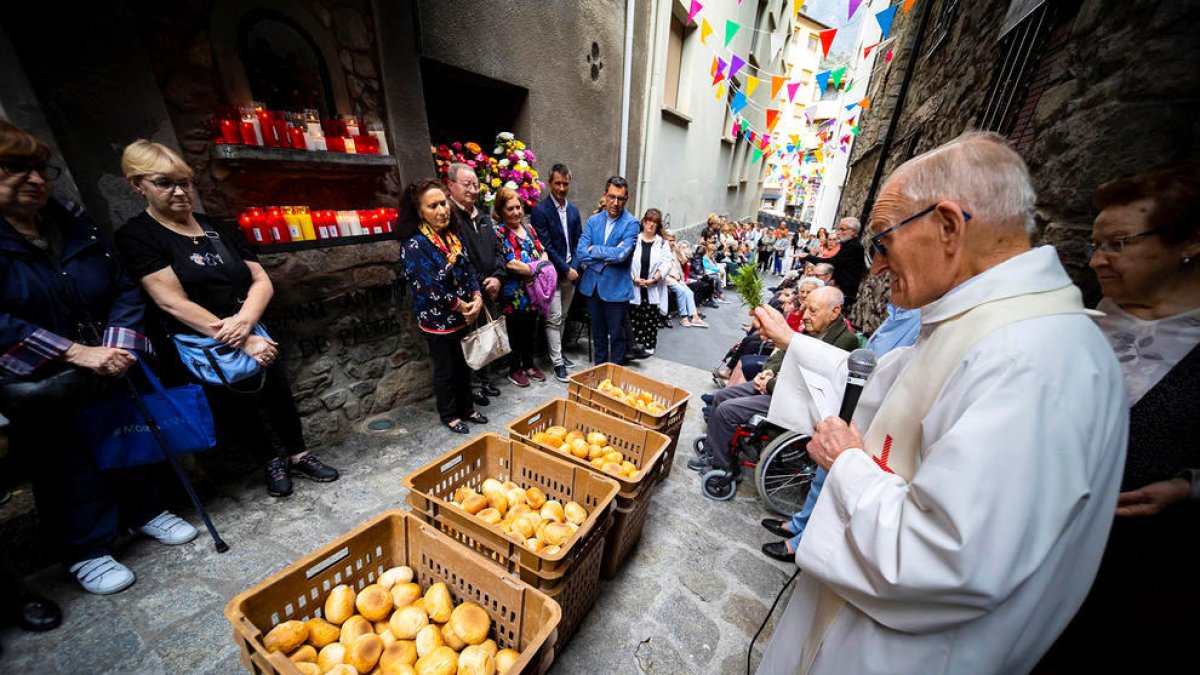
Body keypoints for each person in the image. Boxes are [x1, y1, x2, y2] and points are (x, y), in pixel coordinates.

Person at [755, 132, 1128, 675]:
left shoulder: (1035, 357)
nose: (876, 267)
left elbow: (944, 557)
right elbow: (884, 381)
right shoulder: (979, 325)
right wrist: (793, 343)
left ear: (948, 226)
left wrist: (848, 465)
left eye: (882, 242)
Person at [1, 123, 195, 596]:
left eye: (38, 169)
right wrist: (73, 352)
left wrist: (119, 343)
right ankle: (87, 547)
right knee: (63, 460)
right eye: (14, 169)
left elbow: (124, 284)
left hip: (110, 353)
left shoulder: (70, 219)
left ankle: (145, 510)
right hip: (42, 371)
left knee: (126, 430)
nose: (34, 179)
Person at [1039, 163, 1199, 672]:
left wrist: (1188, 489)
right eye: (1095, 245)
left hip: (1141, 574)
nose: (1098, 260)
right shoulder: (1076, 319)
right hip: (1041, 549)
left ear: (1188, 242)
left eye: (1119, 243)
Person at [116, 140, 339, 497]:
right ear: (137, 185)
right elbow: (171, 301)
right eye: (165, 183)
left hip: (249, 324)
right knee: (236, 404)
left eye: (185, 182)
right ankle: (269, 461)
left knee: (278, 392)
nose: (179, 191)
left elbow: (260, 279)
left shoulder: (217, 227)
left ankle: (299, 454)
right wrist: (241, 339)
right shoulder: (138, 236)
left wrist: (248, 323)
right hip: (202, 341)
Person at [759, 300, 921, 562]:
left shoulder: (925, 321)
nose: (878, 268)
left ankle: (803, 542)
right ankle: (799, 524)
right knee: (822, 474)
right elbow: (866, 364)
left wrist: (791, 339)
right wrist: (790, 339)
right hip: (853, 400)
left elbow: (880, 377)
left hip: (875, 419)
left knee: (835, 477)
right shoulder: (900, 309)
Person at [689, 286, 857, 476]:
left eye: (813, 310)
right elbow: (784, 353)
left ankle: (721, 465)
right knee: (721, 395)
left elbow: (810, 387)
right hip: (780, 385)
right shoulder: (816, 327)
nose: (805, 316)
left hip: (798, 402)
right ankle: (713, 452)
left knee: (727, 411)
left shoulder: (845, 342)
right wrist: (768, 371)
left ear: (835, 312)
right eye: (805, 309)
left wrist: (768, 383)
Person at [396, 179, 486, 434]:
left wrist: (477, 297)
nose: (441, 210)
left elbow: (468, 268)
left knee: (464, 365)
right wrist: (464, 307)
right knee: (446, 369)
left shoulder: (452, 236)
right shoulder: (414, 245)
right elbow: (429, 288)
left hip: (464, 315)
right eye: (433, 206)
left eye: (443, 203)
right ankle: (450, 414)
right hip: (438, 321)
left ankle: (467, 408)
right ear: (420, 212)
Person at [445, 162, 504, 405]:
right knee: (471, 341)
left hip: (491, 288)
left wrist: (498, 277)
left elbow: (498, 250)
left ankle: (485, 380)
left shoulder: (482, 216)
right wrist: (479, 285)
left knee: (487, 336)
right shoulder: (450, 218)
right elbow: (461, 258)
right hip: (470, 293)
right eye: (466, 184)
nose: (472, 189)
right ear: (451, 186)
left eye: (475, 184)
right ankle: (473, 386)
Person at [575, 176, 639, 365]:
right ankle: (599, 375)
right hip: (593, 288)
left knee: (617, 338)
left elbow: (622, 255)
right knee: (598, 337)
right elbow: (580, 252)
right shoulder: (594, 220)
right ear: (605, 195)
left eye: (620, 198)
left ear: (626, 199)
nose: (616, 203)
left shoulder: (632, 223)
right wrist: (604, 259)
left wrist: (594, 250)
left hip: (616, 290)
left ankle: (614, 380)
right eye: (612, 197)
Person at [530, 163, 582, 382]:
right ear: (550, 183)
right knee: (554, 318)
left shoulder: (573, 211)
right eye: (558, 183)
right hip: (552, 275)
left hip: (571, 273)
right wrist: (566, 269)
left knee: (564, 316)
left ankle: (557, 353)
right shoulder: (540, 211)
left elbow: (580, 241)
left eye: (565, 183)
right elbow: (545, 245)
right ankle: (558, 363)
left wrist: (576, 267)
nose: (562, 188)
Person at [494, 187, 549, 386]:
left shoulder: (529, 229)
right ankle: (514, 369)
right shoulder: (499, 232)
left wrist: (538, 266)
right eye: (510, 209)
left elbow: (543, 252)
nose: (516, 212)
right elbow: (509, 263)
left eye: (518, 207)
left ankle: (529, 364)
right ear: (501, 211)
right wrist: (536, 270)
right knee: (515, 332)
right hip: (514, 294)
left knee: (530, 329)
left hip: (533, 292)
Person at [798, 217, 867, 312]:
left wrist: (808, 257)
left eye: (842, 229)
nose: (839, 232)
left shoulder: (854, 247)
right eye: (839, 229)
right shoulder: (848, 244)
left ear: (853, 231)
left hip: (843, 292)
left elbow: (833, 263)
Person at [628, 209, 672, 355]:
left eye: (655, 222)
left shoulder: (662, 243)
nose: (651, 224)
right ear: (644, 221)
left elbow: (667, 263)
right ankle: (634, 344)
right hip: (635, 284)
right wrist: (633, 278)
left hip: (652, 285)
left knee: (650, 316)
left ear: (658, 225)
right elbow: (626, 260)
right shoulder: (634, 239)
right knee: (634, 315)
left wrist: (654, 279)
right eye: (649, 221)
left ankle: (648, 344)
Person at [665, 241, 707, 328]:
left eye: (673, 240)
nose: (672, 243)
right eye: (670, 240)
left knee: (690, 293)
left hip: (678, 277)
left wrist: (678, 251)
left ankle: (695, 317)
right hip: (668, 277)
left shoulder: (674, 251)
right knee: (681, 291)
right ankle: (683, 317)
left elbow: (683, 262)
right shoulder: (663, 251)